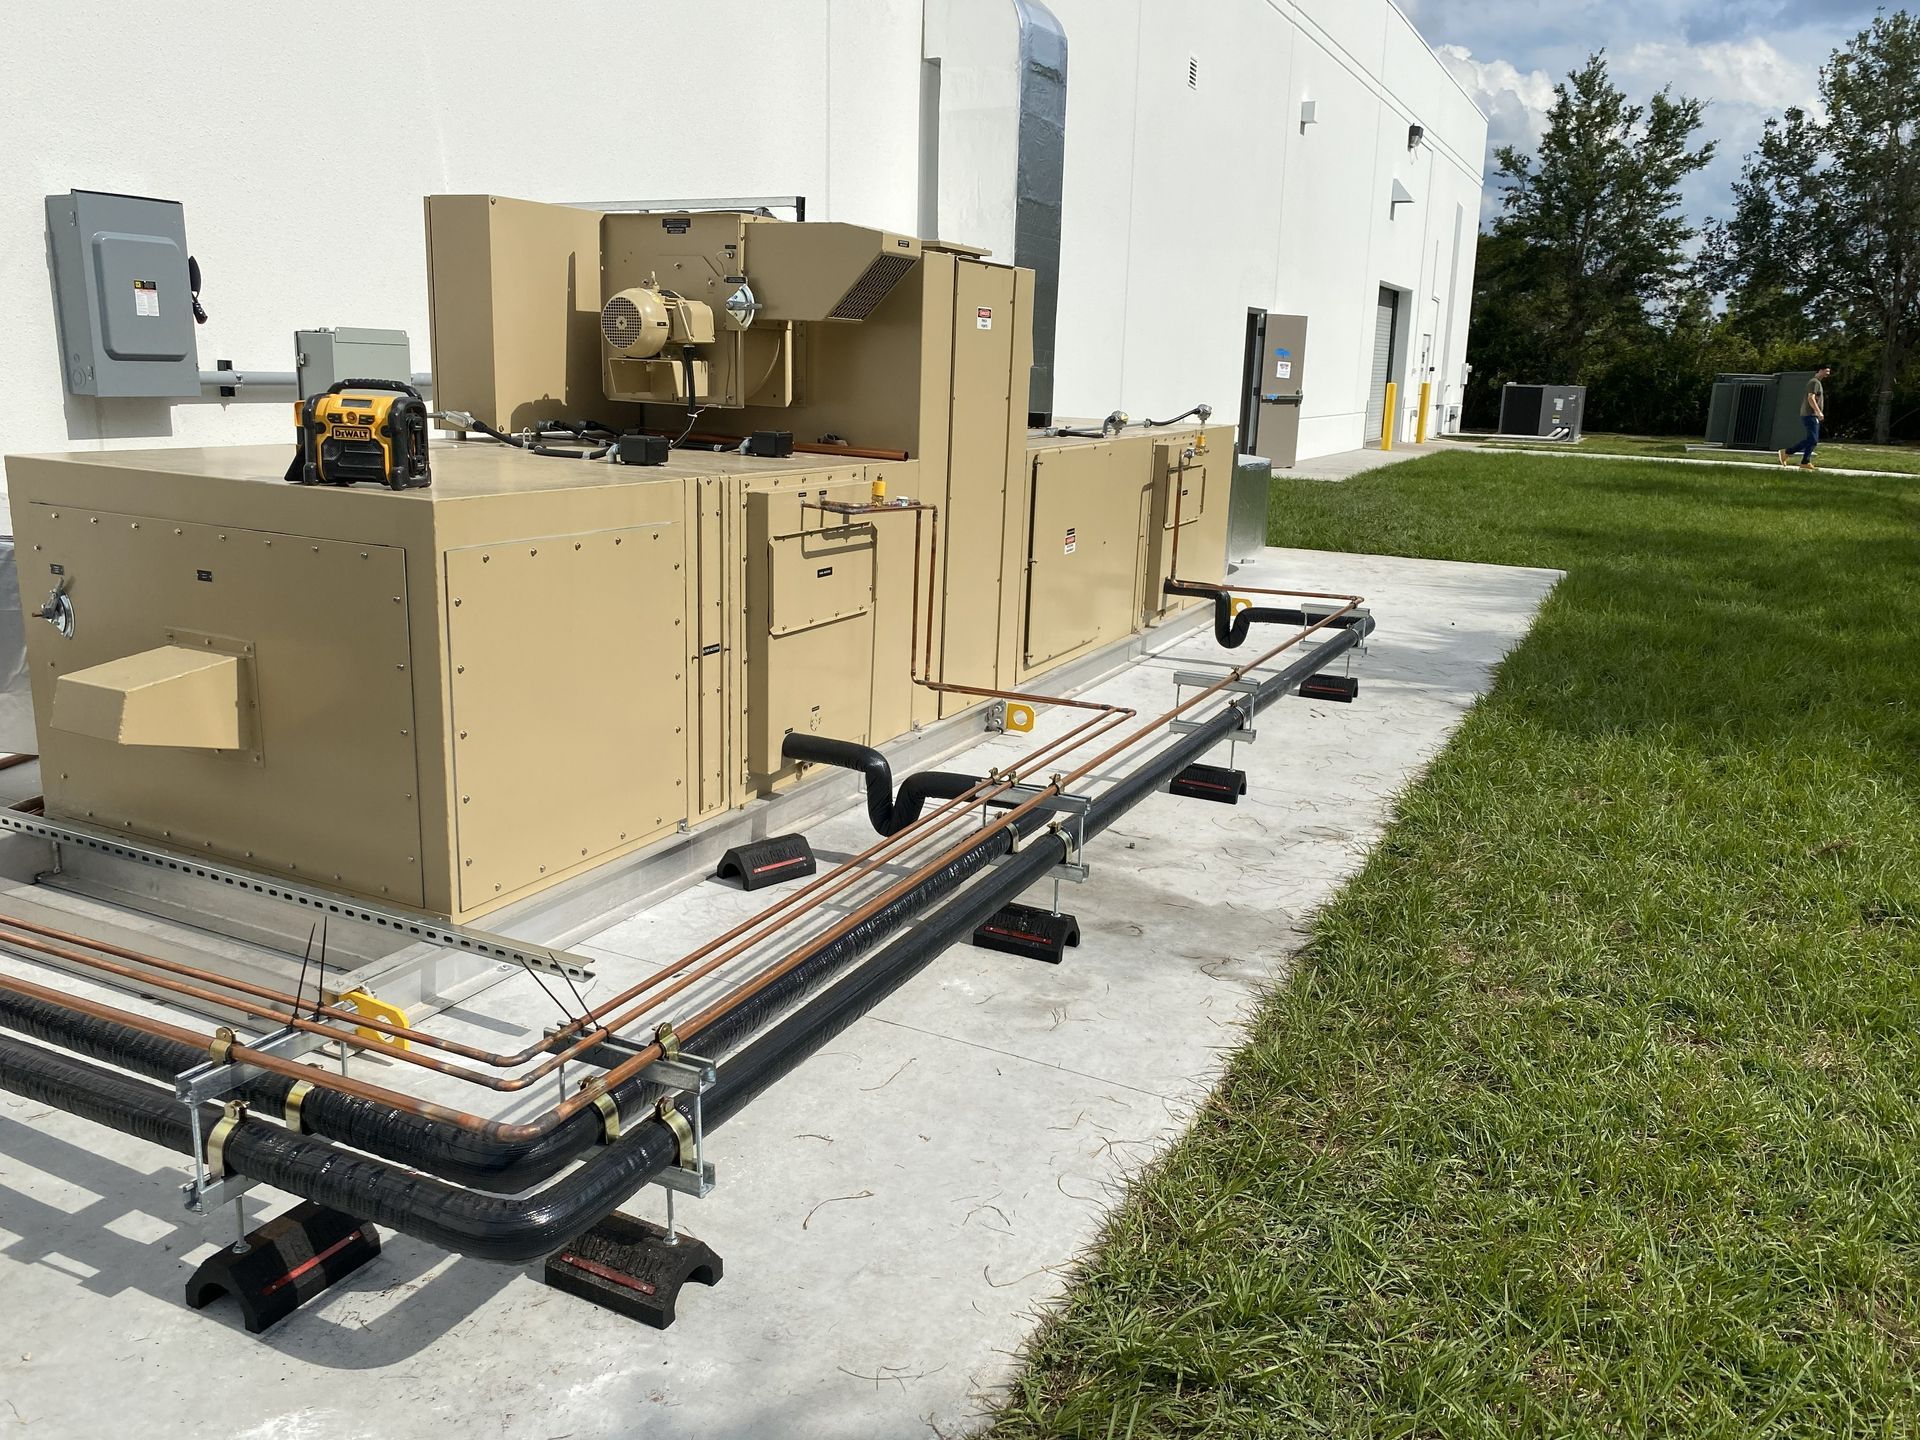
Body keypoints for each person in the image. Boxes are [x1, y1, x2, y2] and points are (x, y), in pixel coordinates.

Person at [1781, 366, 1831, 470]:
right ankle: (1787, 452)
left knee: (1812, 440)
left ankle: (1805, 462)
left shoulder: (1817, 382)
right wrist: (1818, 411)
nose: (1828, 374)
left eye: (1829, 372)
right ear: (1820, 370)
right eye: (1826, 371)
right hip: (1810, 414)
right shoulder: (1814, 382)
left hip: (1812, 415)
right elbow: (1810, 398)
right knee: (1812, 439)